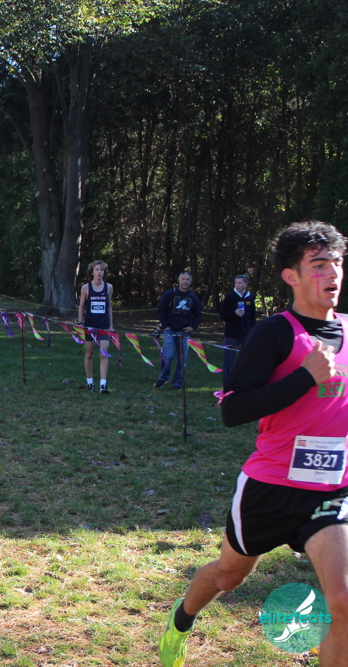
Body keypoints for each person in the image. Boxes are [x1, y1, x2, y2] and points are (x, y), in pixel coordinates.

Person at [159, 221, 348, 667]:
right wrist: (305, 377)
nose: (332, 273)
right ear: (291, 276)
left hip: (330, 490)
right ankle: (181, 621)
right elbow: (234, 409)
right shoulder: (274, 333)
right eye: (319, 264)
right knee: (229, 577)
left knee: (342, 600)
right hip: (271, 487)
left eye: (337, 263)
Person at [155, 271, 202, 389]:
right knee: (168, 356)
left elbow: (197, 315)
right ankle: (163, 378)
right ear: (179, 280)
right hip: (170, 331)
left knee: (182, 360)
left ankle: (178, 382)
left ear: (191, 281)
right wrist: (165, 325)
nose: (185, 281)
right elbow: (161, 310)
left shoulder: (193, 298)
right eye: (183, 279)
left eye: (187, 279)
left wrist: (193, 327)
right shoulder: (170, 294)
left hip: (184, 332)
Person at [77, 259, 114, 393]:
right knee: (89, 353)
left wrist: (111, 325)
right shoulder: (85, 288)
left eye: (101, 270)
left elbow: (109, 306)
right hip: (90, 326)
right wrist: (80, 322)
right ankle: (90, 382)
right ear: (92, 272)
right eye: (97, 270)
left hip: (103, 325)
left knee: (104, 354)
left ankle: (103, 385)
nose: (99, 272)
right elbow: (81, 306)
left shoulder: (109, 287)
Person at [219, 274, 256, 384]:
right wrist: (234, 313)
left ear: (245, 284)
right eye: (236, 283)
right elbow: (223, 315)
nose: (238, 285)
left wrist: (252, 331)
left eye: (240, 283)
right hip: (232, 334)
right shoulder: (230, 297)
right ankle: (227, 384)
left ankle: (245, 382)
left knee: (246, 359)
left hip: (246, 334)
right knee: (229, 361)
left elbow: (252, 317)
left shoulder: (249, 298)